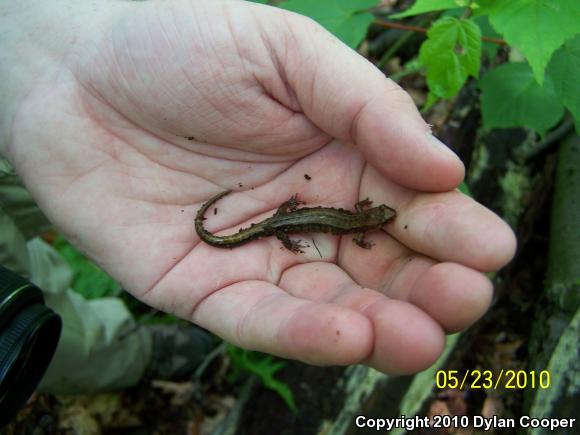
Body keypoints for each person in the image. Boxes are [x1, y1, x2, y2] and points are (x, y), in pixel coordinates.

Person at [0, 0, 516, 392]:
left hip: (287, 221)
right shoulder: (363, 226)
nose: (377, 216)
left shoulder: (359, 223)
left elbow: (351, 223)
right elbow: (355, 227)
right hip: (285, 224)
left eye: (377, 217)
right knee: (272, 231)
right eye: (377, 216)